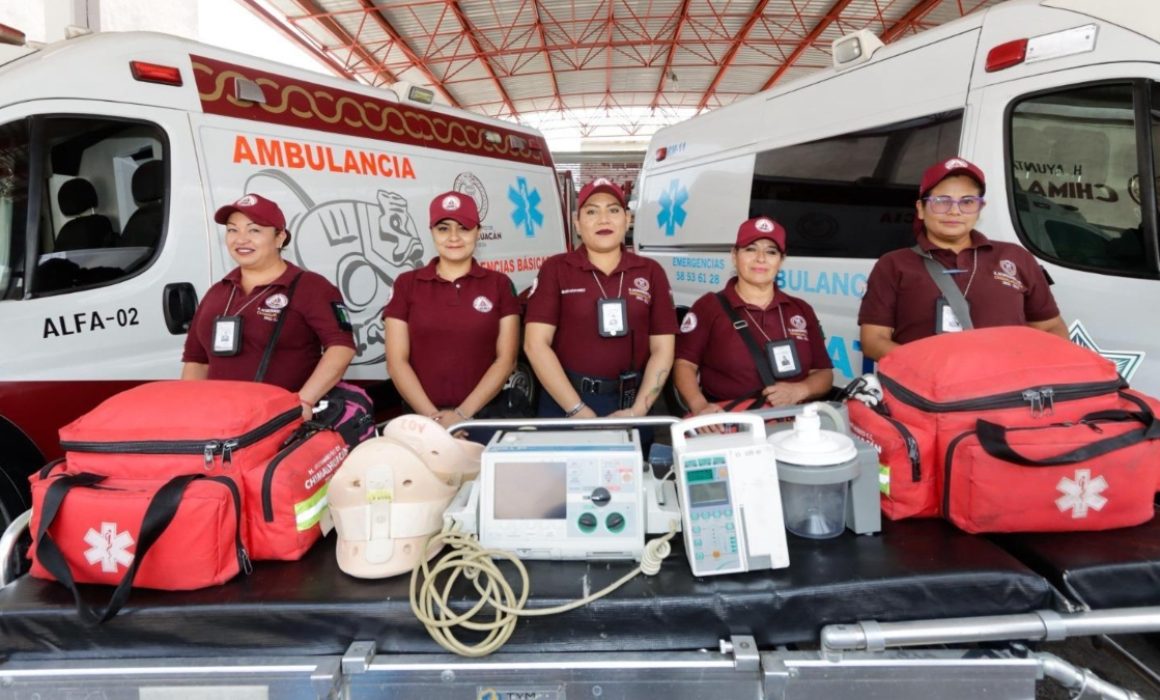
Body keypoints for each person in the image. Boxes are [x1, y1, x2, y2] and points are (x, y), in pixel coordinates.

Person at [859, 157, 1068, 361]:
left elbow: (1050, 327)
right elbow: (874, 340)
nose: (954, 211)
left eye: (967, 202)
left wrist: (1028, 365)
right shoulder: (894, 264)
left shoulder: (1015, 257)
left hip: (1006, 390)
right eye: (941, 201)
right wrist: (923, 368)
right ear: (921, 209)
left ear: (980, 209)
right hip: (926, 390)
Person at [182, 193, 356, 419]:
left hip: (281, 423)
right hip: (222, 424)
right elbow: (197, 361)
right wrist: (190, 410)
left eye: (254, 230)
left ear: (280, 237)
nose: (241, 239)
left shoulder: (310, 287)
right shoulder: (217, 292)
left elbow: (341, 348)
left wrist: (304, 401)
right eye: (233, 230)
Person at [524, 178, 677, 419]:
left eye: (613, 210)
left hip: (630, 403)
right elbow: (535, 344)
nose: (603, 219)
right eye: (592, 211)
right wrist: (576, 409)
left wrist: (638, 410)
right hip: (564, 401)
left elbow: (663, 349)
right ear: (577, 223)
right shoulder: (556, 269)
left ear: (628, 220)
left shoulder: (651, 271)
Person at [384, 191, 520, 431]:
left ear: (478, 231)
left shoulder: (499, 284)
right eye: (443, 228)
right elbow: (396, 362)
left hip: (486, 416)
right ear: (432, 232)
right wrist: (435, 419)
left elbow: (506, 360)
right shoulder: (406, 284)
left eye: (464, 228)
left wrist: (462, 415)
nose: (454, 237)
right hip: (422, 421)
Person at [674, 216, 833, 416]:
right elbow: (684, 364)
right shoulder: (708, 306)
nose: (760, 258)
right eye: (750, 249)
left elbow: (823, 373)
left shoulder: (800, 309)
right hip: (728, 421)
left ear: (781, 260)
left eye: (771, 252)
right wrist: (699, 405)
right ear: (734, 255)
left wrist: (800, 390)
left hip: (792, 423)